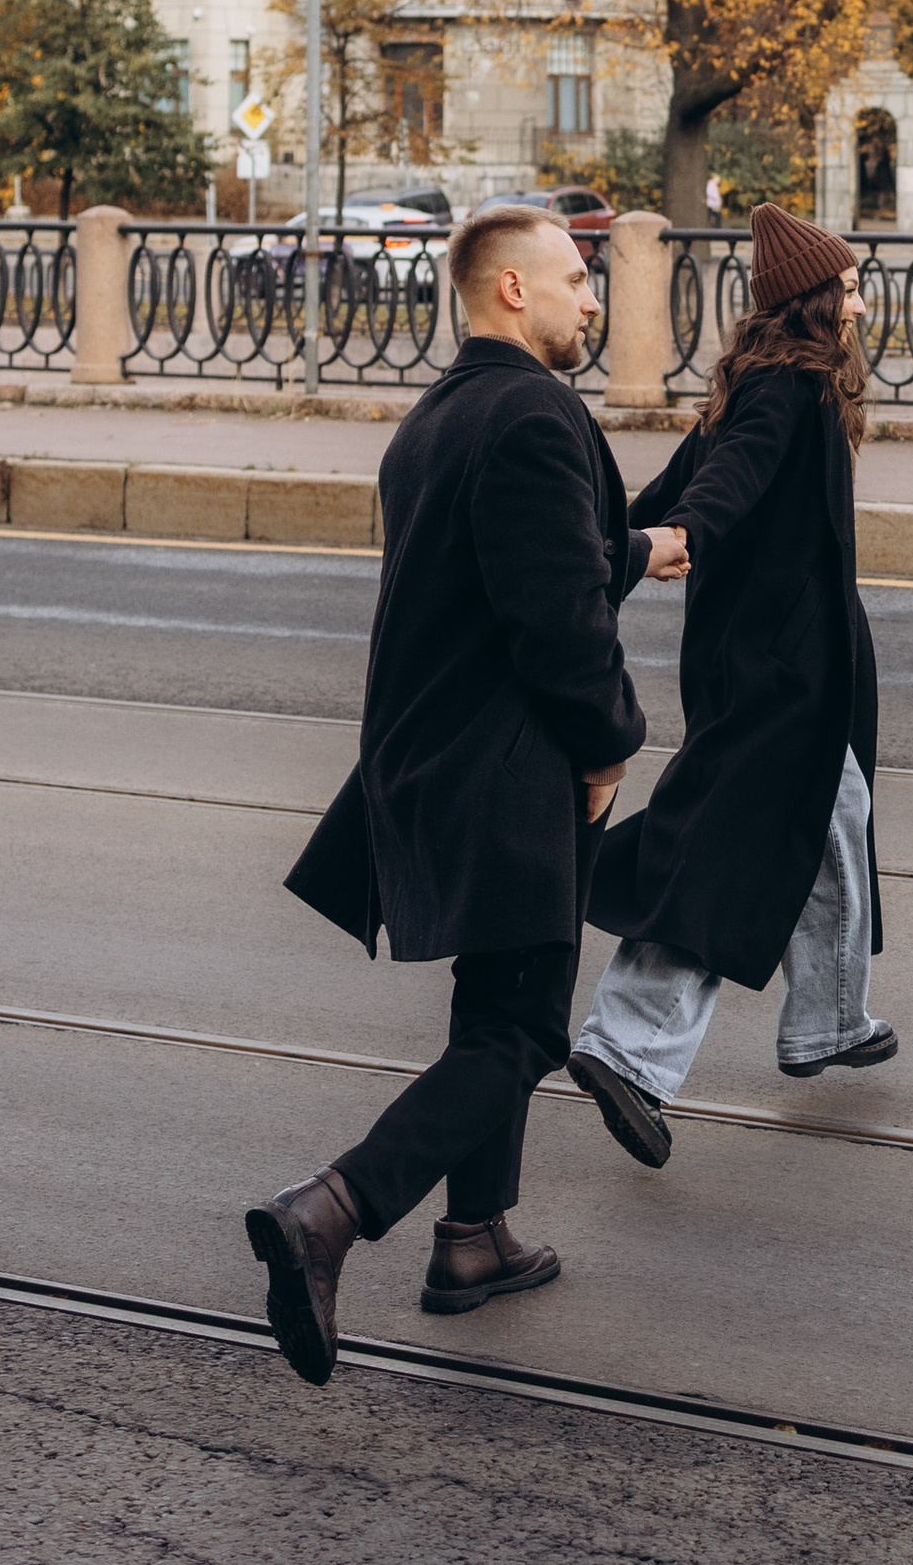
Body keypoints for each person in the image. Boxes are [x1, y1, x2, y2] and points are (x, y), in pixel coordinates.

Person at [245, 205, 689, 1387]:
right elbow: (556, 619)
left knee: (493, 1003)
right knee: (524, 1028)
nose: (593, 299)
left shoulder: (439, 419)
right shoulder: (539, 415)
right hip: (512, 767)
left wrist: (645, 548)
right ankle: (332, 1209)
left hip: (431, 763)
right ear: (510, 293)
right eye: (577, 279)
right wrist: (609, 748)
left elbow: (539, 554)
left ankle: (475, 1240)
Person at [567, 202, 888, 1166]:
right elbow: (717, 490)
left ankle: (829, 1020)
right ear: (817, 300)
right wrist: (665, 544)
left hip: (793, 655)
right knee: (724, 848)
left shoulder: (767, 381)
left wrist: (614, 540)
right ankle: (627, 1048)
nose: (863, 303)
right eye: (852, 287)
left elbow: (674, 483)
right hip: (778, 664)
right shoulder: (787, 389)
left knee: (836, 816)